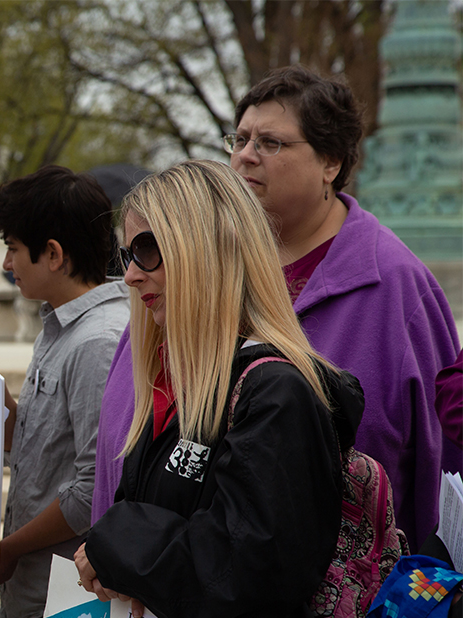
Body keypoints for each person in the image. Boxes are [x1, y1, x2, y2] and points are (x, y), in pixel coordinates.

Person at [91, 66, 460, 549]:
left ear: (331, 162)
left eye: (270, 143)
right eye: (239, 139)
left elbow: (443, 467)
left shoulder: (398, 286)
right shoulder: (182, 277)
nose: (245, 156)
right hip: (143, 603)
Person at [76, 160, 364, 618]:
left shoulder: (276, 392)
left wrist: (110, 543)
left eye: (148, 250)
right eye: (126, 256)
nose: (131, 275)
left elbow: (236, 575)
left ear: (210, 249)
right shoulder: (181, 384)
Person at [0, 165, 129, 618]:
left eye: (14, 248)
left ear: (55, 254)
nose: (7, 264)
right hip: (34, 602)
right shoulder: (59, 327)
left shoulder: (98, 340)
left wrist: (9, 549)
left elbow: (94, 490)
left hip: (65, 607)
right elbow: (41, 448)